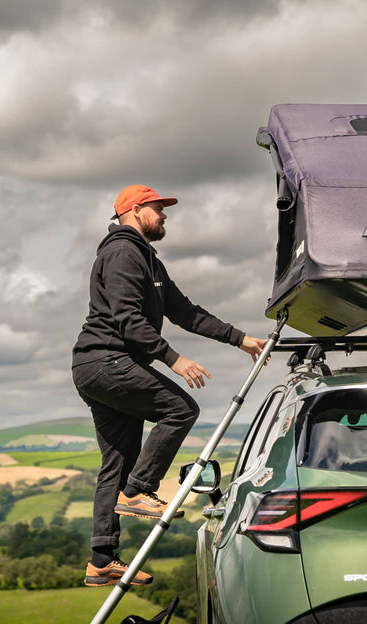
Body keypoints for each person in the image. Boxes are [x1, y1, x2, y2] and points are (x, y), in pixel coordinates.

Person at [72, 184, 267, 587]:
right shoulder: (124, 252)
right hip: (106, 361)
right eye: (159, 209)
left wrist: (240, 338)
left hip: (99, 367)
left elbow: (185, 312)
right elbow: (127, 318)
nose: (165, 216)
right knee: (180, 409)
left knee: (117, 464)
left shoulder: (148, 261)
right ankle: (139, 491)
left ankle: (101, 559)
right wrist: (174, 360)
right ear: (137, 209)